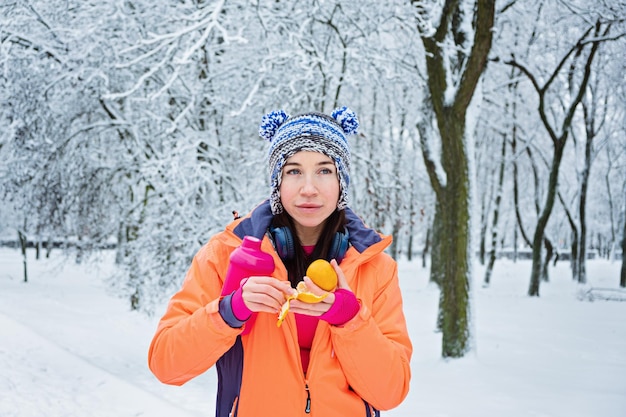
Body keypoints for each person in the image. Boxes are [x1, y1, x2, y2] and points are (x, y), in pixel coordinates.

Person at [148, 106, 413, 417]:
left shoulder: (374, 268)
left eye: (325, 170)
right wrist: (230, 310)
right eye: (294, 171)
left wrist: (350, 319)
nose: (309, 188)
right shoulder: (225, 255)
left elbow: (391, 392)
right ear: (277, 181)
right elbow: (166, 364)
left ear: (342, 181)